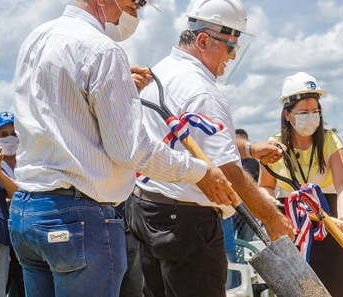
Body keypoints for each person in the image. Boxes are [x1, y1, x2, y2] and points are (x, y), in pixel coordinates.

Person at [10, 1, 237, 296]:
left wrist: (121, 89)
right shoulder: (102, 50)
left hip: (28, 211)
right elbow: (131, 150)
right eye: (129, 4)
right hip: (78, 216)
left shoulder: (36, 38)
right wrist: (200, 172)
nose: (127, 16)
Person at [126, 1, 294, 296]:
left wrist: (250, 149)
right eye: (230, 46)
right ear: (203, 40)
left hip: (147, 212)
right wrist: (272, 218)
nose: (232, 56)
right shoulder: (202, 91)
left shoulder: (159, 73)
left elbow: (188, 139)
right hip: (189, 227)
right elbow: (228, 171)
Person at [259, 72, 343, 297]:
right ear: (288, 114)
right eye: (303, 112)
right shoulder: (273, 146)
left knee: (337, 287)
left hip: (329, 219)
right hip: (291, 222)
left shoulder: (330, 140)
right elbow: (265, 187)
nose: (310, 117)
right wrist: (274, 218)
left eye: (315, 111)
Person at [0, 112, 22, 297]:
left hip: (21, 234)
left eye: (14, 133)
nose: (10, 138)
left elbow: (18, 194)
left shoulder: (28, 161)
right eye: (3, 134)